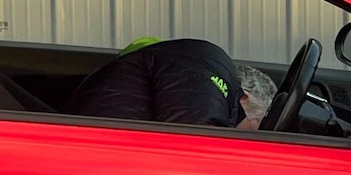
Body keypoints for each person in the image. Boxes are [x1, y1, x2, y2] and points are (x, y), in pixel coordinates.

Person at [66, 38, 276, 130]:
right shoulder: (208, 76)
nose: (252, 138)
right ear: (245, 97)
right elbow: (193, 145)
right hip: (97, 151)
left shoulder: (208, 68)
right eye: (257, 124)